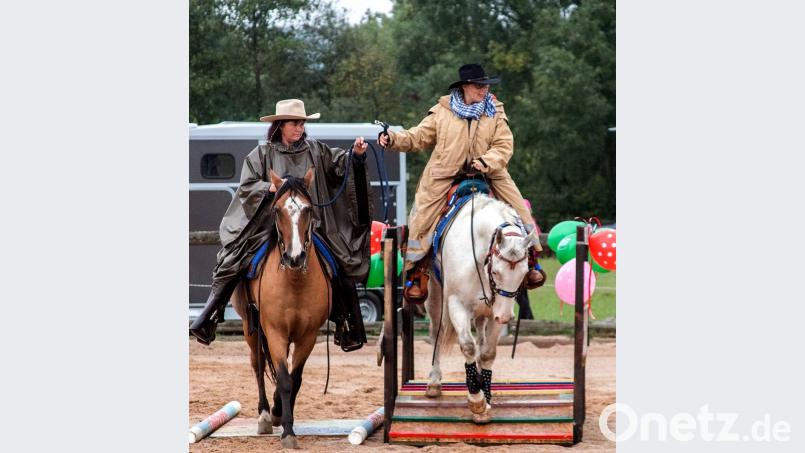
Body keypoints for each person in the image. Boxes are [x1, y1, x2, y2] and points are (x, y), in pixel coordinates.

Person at [190, 99, 372, 351]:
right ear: (280, 125)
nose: (300, 128)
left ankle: (348, 323)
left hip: (308, 223)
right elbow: (246, 188)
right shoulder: (261, 155)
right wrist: (269, 187)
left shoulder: (316, 151)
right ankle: (210, 316)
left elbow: (340, 165)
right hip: (266, 221)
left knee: (340, 261)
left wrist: (357, 155)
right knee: (234, 259)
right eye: (294, 123)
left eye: (302, 123)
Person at [378, 64, 546, 302]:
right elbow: (418, 137)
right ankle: (417, 273)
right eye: (479, 85)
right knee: (421, 219)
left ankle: (531, 262)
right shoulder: (442, 110)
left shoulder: (495, 111)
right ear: (465, 87)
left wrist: (484, 162)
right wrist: (392, 138)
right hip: (443, 174)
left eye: (486, 85)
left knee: (520, 211)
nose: (484, 89)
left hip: (489, 172)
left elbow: (504, 146)